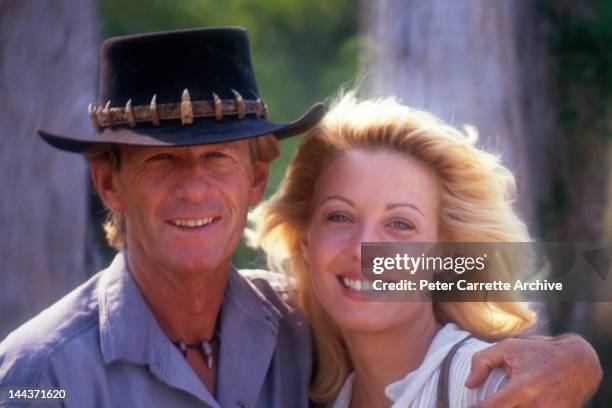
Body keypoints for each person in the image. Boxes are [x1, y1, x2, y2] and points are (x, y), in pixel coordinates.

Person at [0, 27, 601, 408]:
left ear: (256, 178)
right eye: (161, 162)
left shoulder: (299, 326)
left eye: (217, 157)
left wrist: (576, 356)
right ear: (110, 183)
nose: (194, 189)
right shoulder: (39, 374)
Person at [248, 93, 602, 407]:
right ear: (306, 243)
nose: (363, 249)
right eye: (339, 216)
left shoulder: (499, 390)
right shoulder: (307, 379)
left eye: (400, 224)